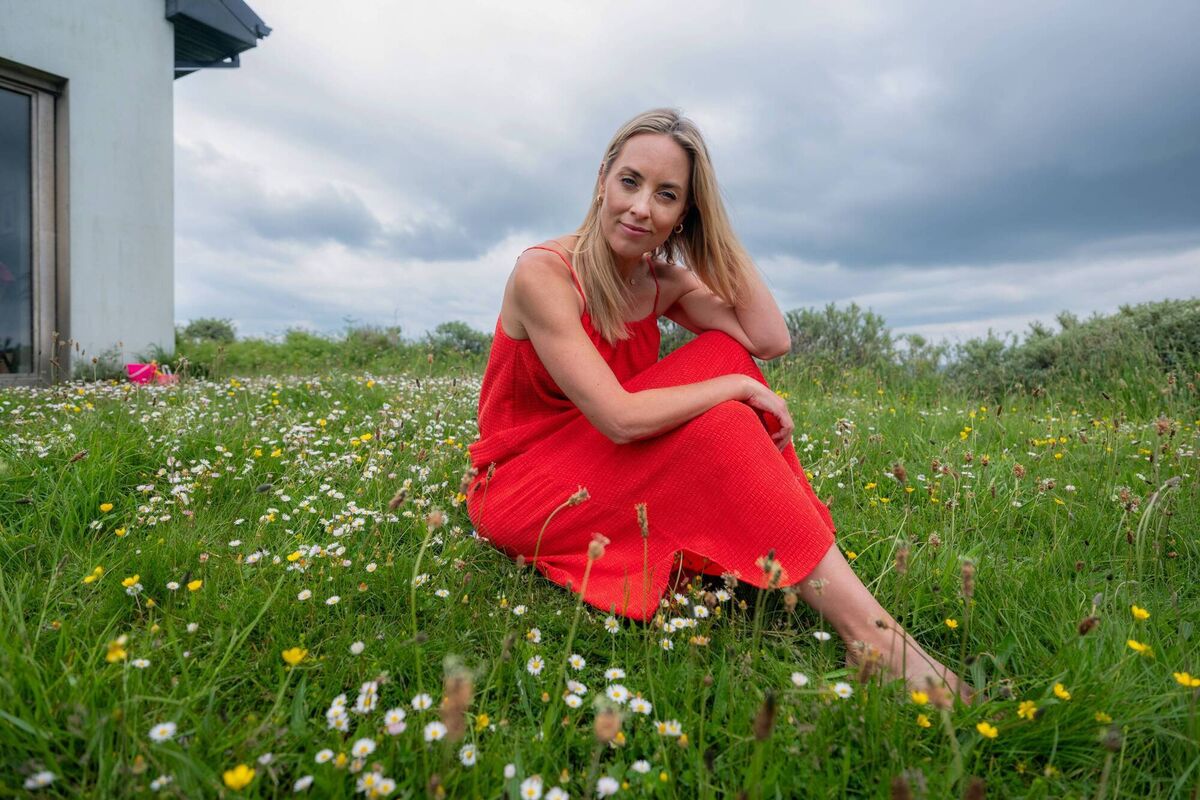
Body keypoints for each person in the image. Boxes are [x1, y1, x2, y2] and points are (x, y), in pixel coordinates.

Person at [465, 108, 968, 701]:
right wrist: (738, 390)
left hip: (599, 461)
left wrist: (713, 242)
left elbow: (767, 338)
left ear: (684, 216)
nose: (641, 208)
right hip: (525, 489)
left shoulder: (660, 282)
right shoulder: (544, 272)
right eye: (630, 182)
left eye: (667, 196)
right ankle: (873, 638)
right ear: (602, 178)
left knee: (725, 352)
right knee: (727, 398)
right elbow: (619, 418)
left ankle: (821, 579)